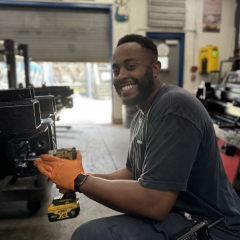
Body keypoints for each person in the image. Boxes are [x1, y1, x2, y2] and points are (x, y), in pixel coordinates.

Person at [34, 34, 240, 240]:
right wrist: (79, 176)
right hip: (180, 215)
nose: (121, 75)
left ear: (155, 68)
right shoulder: (142, 114)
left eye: (130, 67)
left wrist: (80, 181)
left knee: (90, 236)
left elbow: (155, 203)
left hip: (213, 226)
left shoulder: (173, 108)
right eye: (116, 70)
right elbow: (132, 172)